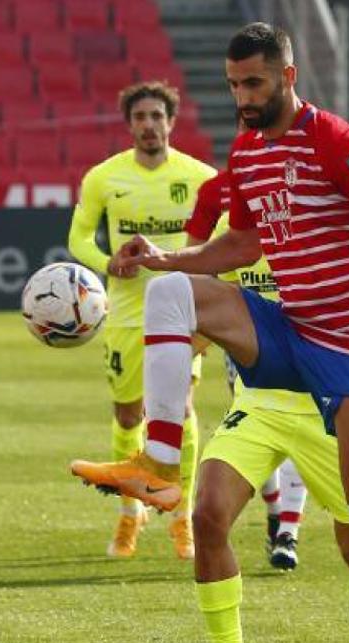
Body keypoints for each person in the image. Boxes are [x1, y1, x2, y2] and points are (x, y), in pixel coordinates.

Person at [72, 23, 349, 643]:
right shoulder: (247, 151)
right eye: (233, 84)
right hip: (287, 333)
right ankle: (158, 463)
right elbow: (242, 244)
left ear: (287, 75)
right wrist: (166, 257)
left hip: (348, 348)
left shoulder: (338, 140)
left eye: (254, 83)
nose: (243, 97)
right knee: (173, 293)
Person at [180, 167, 349, 643]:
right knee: (208, 515)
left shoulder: (326, 233)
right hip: (259, 404)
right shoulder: (240, 239)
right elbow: (215, 315)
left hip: (329, 406)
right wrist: (174, 361)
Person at [67, 81, 217, 560]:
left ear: (171, 121)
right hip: (127, 316)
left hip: (182, 313)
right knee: (129, 415)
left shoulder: (200, 178)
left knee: (182, 410)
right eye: (140, 117)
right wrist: (107, 263)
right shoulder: (104, 178)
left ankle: (182, 517)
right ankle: (131, 511)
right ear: (129, 124)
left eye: (157, 116)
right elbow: (78, 239)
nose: (149, 125)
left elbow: (220, 241)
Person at [185, 165, 310, 571]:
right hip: (248, 353)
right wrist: (190, 348)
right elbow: (227, 296)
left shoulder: (307, 223)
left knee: (299, 429)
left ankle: (288, 531)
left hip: (306, 351)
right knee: (261, 428)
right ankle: (275, 511)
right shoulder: (233, 230)